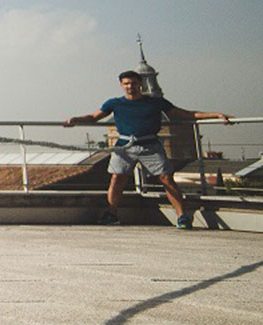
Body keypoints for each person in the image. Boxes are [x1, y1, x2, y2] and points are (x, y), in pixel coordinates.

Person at [64, 71, 232, 228]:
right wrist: (75, 120)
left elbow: (184, 114)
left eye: (134, 83)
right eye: (127, 84)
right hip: (124, 146)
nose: (130, 86)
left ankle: (182, 217)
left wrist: (216, 115)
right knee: (117, 178)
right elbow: (94, 117)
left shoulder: (155, 102)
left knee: (166, 178)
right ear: (122, 85)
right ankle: (111, 214)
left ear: (141, 84)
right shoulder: (114, 103)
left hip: (150, 145)